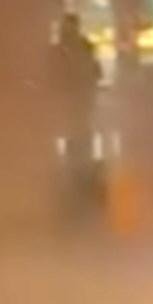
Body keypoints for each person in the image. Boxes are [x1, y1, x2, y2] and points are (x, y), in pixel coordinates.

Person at [50, 12, 102, 206]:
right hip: (81, 102)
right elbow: (96, 73)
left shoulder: (58, 49)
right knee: (81, 139)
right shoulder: (84, 47)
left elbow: (49, 76)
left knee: (71, 139)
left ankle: (73, 180)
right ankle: (82, 179)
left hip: (68, 103)